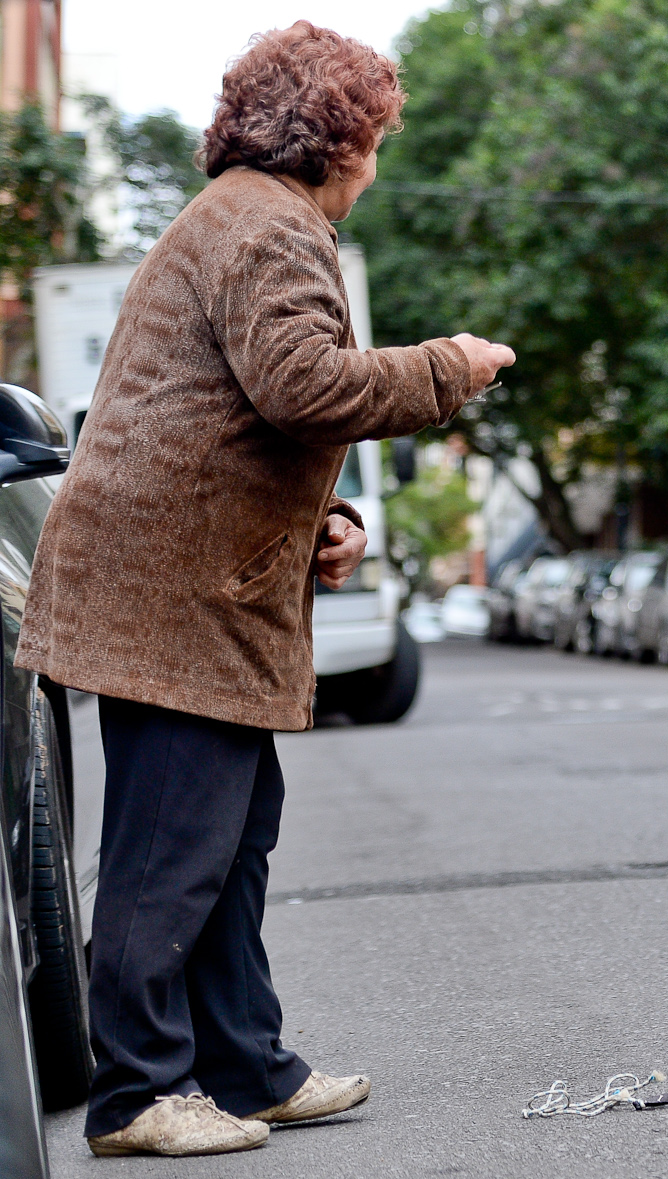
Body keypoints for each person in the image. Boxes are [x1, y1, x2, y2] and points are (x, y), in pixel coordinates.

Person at [16, 23, 515, 1158]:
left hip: (187, 580)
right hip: (174, 596)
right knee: (171, 848)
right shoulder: (273, 228)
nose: (378, 167)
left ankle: (247, 1065)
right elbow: (298, 386)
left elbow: (214, 417)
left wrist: (325, 522)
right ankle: (137, 1093)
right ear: (336, 141)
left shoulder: (245, 217)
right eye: (377, 140)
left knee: (232, 838)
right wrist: (449, 367)